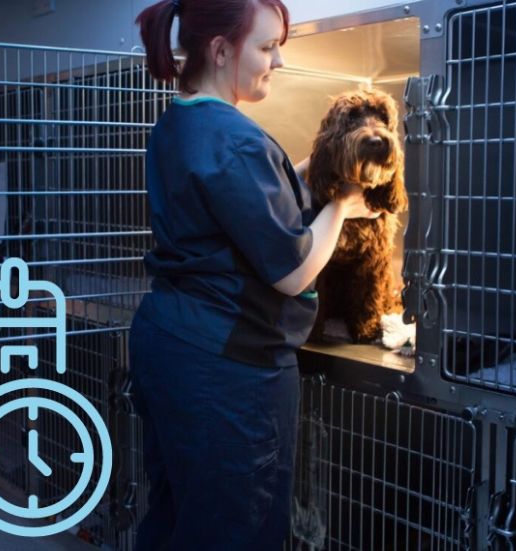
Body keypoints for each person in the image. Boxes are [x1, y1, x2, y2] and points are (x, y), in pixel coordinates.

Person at [128, 0, 379, 548]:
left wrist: (306, 172)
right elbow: (292, 270)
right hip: (227, 370)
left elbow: (238, 203)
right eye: (267, 47)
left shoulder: (177, 121)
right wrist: (343, 204)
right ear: (221, 51)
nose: (279, 61)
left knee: (177, 514)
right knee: (234, 529)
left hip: (170, 346)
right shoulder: (236, 139)